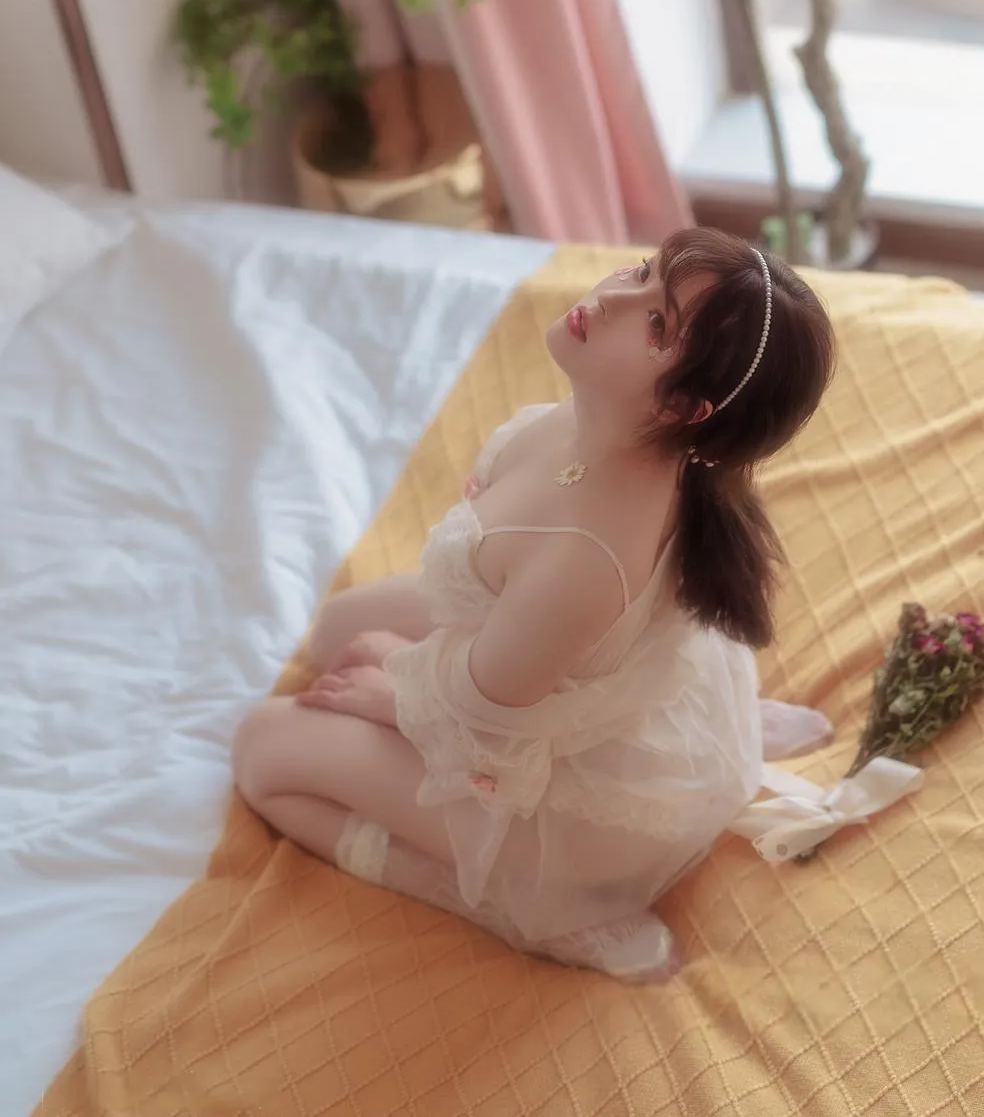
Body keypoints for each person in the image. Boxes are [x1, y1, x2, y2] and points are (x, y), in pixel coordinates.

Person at [233, 228, 837, 982]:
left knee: (260, 748)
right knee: (332, 630)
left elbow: (482, 725)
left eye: (656, 322)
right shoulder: (616, 427)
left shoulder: (587, 559)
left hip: (564, 794)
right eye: (643, 272)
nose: (612, 296)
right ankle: (708, 735)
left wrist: (391, 683)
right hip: (552, 648)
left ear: (685, 403)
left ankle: (543, 908)